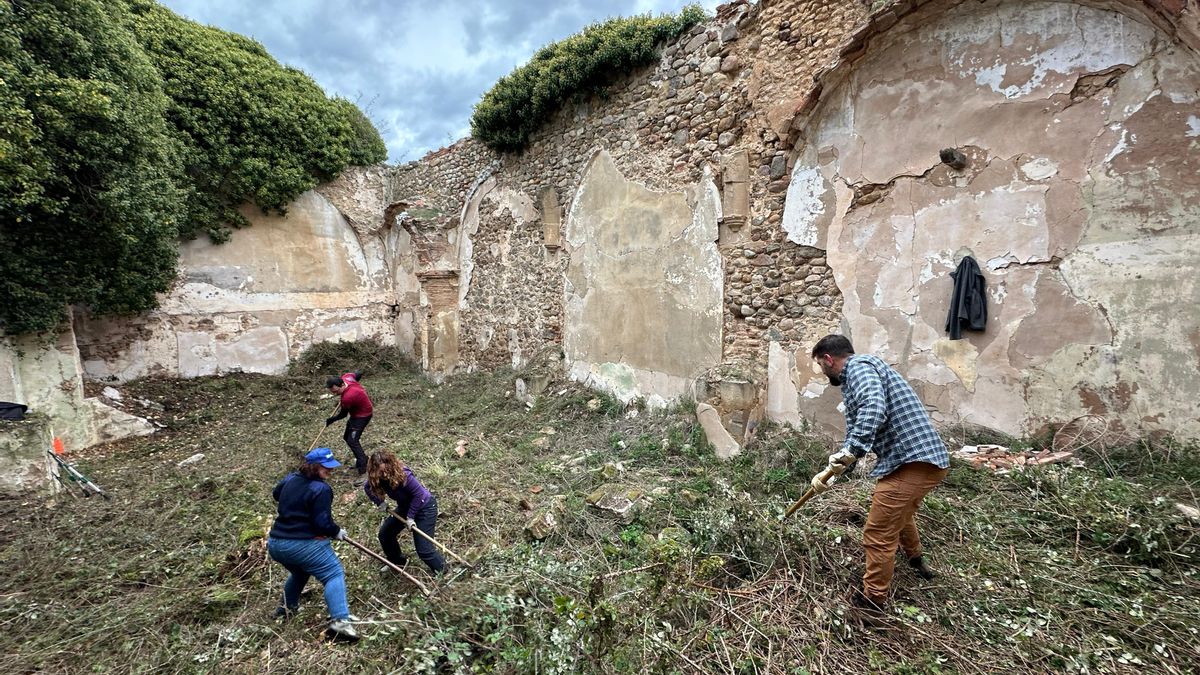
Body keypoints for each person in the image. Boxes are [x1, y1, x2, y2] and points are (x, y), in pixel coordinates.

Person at [809, 334, 951, 617]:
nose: (823, 372)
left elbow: (873, 408)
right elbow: (860, 423)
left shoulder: (859, 367)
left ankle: (871, 603)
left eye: (820, 366)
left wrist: (851, 451)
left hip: (915, 460)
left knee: (877, 532)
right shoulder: (863, 373)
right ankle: (915, 559)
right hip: (912, 461)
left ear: (828, 359)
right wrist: (835, 469)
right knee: (896, 507)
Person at [266, 447, 359, 642]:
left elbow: (277, 494)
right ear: (313, 466)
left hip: (276, 544)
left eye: (331, 467)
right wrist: (336, 532)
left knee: (300, 572)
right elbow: (322, 523)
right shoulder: (321, 489)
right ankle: (340, 624)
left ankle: (285, 609)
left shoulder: (290, 478)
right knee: (333, 573)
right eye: (326, 467)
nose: (330, 471)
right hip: (301, 545)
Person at [364, 450, 445, 575]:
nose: (385, 474)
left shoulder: (403, 474)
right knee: (385, 534)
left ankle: (443, 570)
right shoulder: (376, 479)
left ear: (391, 465)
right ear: (375, 471)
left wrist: (411, 517)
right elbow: (368, 488)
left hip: (425, 507)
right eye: (381, 472)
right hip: (405, 507)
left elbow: (419, 495)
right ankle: (397, 562)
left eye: (386, 470)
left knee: (424, 550)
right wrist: (380, 502)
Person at [324, 371, 373, 483]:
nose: (335, 394)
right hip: (355, 414)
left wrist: (331, 420)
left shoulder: (347, 397)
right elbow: (358, 373)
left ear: (342, 385)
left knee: (353, 441)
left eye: (336, 392)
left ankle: (364, 471)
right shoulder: (347, 377)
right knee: (347, 437)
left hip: (363, 415)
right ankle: (363, 460)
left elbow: (343, 415)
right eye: (332, 392)